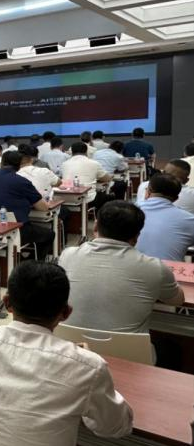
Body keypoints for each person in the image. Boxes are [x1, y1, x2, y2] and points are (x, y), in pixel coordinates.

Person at [0, 261, 133, 446]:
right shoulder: (88, 367)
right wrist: (85, 369)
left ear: (7, 303)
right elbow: (115, 426)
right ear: (66, 313)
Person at [60, 201, 183, 336]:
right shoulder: (155, 268)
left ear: (95, 226)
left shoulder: (67, 255)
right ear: (137, 236)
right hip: (127, 349)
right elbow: (176, 300)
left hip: (70, 343)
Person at [0, 151, 53, 258]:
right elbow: (43, 207)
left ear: (1, 163)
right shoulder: (21, 181)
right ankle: (30, 263)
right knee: (49, 234)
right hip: (16, 231)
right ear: (19, 166)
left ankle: (22, 260)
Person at [136, 173, 194, 261]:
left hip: (127, 267)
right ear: (176, 199)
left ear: (148, 192)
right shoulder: (189, 220)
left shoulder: (128, 211)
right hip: (168, 268)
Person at [61, 142, 110, 206]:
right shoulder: (94, 163)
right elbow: (106, 179)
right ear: (86, 152)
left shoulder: (64, 164)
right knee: (105, 196)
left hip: (67, 199)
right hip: (87, 200)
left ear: (72, 152)